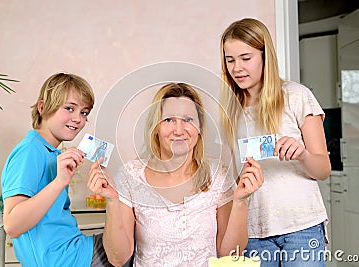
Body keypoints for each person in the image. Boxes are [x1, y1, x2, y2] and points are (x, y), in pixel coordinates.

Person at [87, 82, 264, 267]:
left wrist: (241, 201)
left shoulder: (218, 174)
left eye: (188, 120)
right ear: (155, 128)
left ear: (200, 129)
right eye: (169, 120)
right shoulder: (131, 175)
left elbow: (229, 253)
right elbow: (118, 258)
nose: (179, 130)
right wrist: (113, 202)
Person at [219, 18, 331, 266]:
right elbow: (235, 180)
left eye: (246, 58)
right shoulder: (230, 112)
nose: (237, 68)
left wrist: (302, 154)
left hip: (301, 228)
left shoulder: (296, 96)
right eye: (230, 60)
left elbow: (323, 170)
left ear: (264, 56)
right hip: (254, 233)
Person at [1, 73, 114, 266]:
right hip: (66, 259)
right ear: (43, 107)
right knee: (137, 243)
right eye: (69, 108)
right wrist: (59, 182)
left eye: (84, 113)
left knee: (129, 236)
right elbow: (12, 225)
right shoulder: (30, 151)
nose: (78, 119)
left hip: (73, 250)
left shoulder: (51, 152)